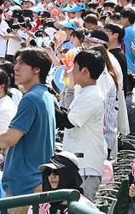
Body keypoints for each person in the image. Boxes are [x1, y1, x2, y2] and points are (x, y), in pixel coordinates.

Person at [0, 48, 56, 211]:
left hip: (26, 184)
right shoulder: (43, 94)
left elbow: (11, 138)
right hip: (34, 182)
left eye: (22, 63)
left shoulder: (31, 98)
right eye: (16, 63)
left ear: (37, 69)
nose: (16, 67)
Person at [56, 48, 107, 199]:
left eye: (75, 67)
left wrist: (44, 100)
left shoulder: (92, 95)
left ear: (84, 70)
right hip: (81, 163)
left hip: (86, 167)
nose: (71, 71)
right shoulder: (85, 91)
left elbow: (67, 121)